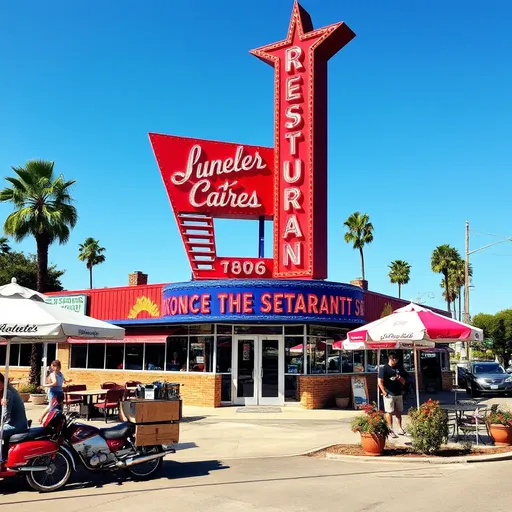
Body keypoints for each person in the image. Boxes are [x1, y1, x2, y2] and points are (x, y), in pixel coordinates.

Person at [378, 352, 409, 438]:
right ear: (389, 358)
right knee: (389, 411)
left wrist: (400, 378)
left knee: (398, 411)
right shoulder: (384, 368)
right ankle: (390, 429)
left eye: (395, 359)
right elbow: (380, 381)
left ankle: (400, 428)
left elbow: (404, 382)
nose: (394, 361)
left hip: (398, 392)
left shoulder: (399, 368)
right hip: (389, 393)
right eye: (392, 359)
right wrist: (384, 392)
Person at [39, 360, 71, 424]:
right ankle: (46, 419)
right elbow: (55, 383)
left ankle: (57, 420)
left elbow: (61, 381)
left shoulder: (60, 374)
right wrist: (45, 385)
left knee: (57, 407)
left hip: (59, 392)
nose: (53, 368)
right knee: (52, 407)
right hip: (54, 392)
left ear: (58, 366)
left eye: (54, 366)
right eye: (52, 366)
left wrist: (67, 381)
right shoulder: (53, 374)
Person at [0, 373, 28, 439]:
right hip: (11, 423)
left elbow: (6, 415)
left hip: (15, 425)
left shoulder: (8, 393)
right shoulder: (3, 391)